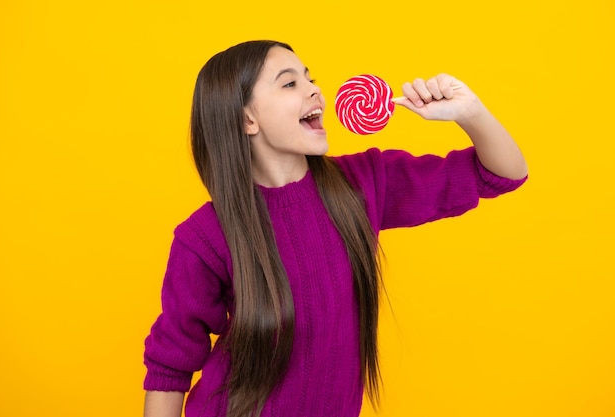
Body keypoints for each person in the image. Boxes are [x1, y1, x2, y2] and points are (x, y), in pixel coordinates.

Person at [143, 40, 528, 417]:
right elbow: (170, 366)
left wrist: (470, 111)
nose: (316, 90)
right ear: (247, 119)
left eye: (310, 78)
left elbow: (501, 175)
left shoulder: (363, 184)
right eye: (290, 82)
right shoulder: (205, 236)